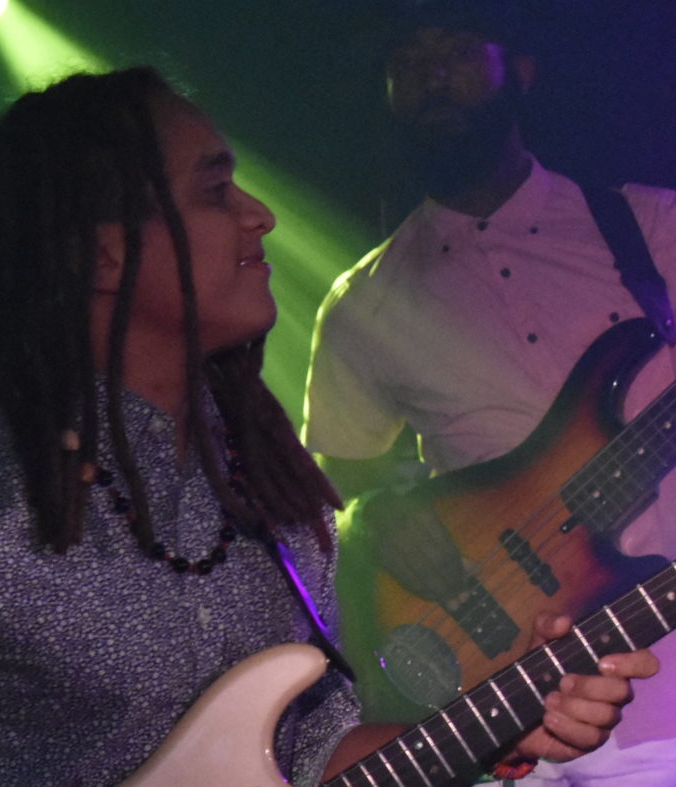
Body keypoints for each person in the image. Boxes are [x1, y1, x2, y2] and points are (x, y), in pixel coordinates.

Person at [0, 67, 653, 787]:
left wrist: (506, 720)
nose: (261, 216)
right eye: (214, 191)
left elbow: (315, 752)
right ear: (101, 255)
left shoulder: (272, 493)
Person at [304, 2, 676, 785]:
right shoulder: (362, 303)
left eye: (458, 49)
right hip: (517, 696)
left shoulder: (653, 224)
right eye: (409, 60)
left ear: (523, 70)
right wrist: (379, 518)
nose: (433, 76)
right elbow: (337, 485)